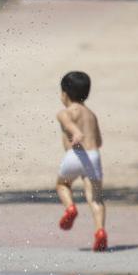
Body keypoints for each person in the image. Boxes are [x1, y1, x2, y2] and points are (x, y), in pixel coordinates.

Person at [55, 71, 107, 252]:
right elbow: (99, 142)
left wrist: (76, 133)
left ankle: (70, 208)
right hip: (93, 156)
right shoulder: (92, 115)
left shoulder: (65, 112)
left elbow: (68, 123)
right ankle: (100, 231)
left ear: (64, 94)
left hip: (75, 155)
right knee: (96, 198)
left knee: (62, 185)